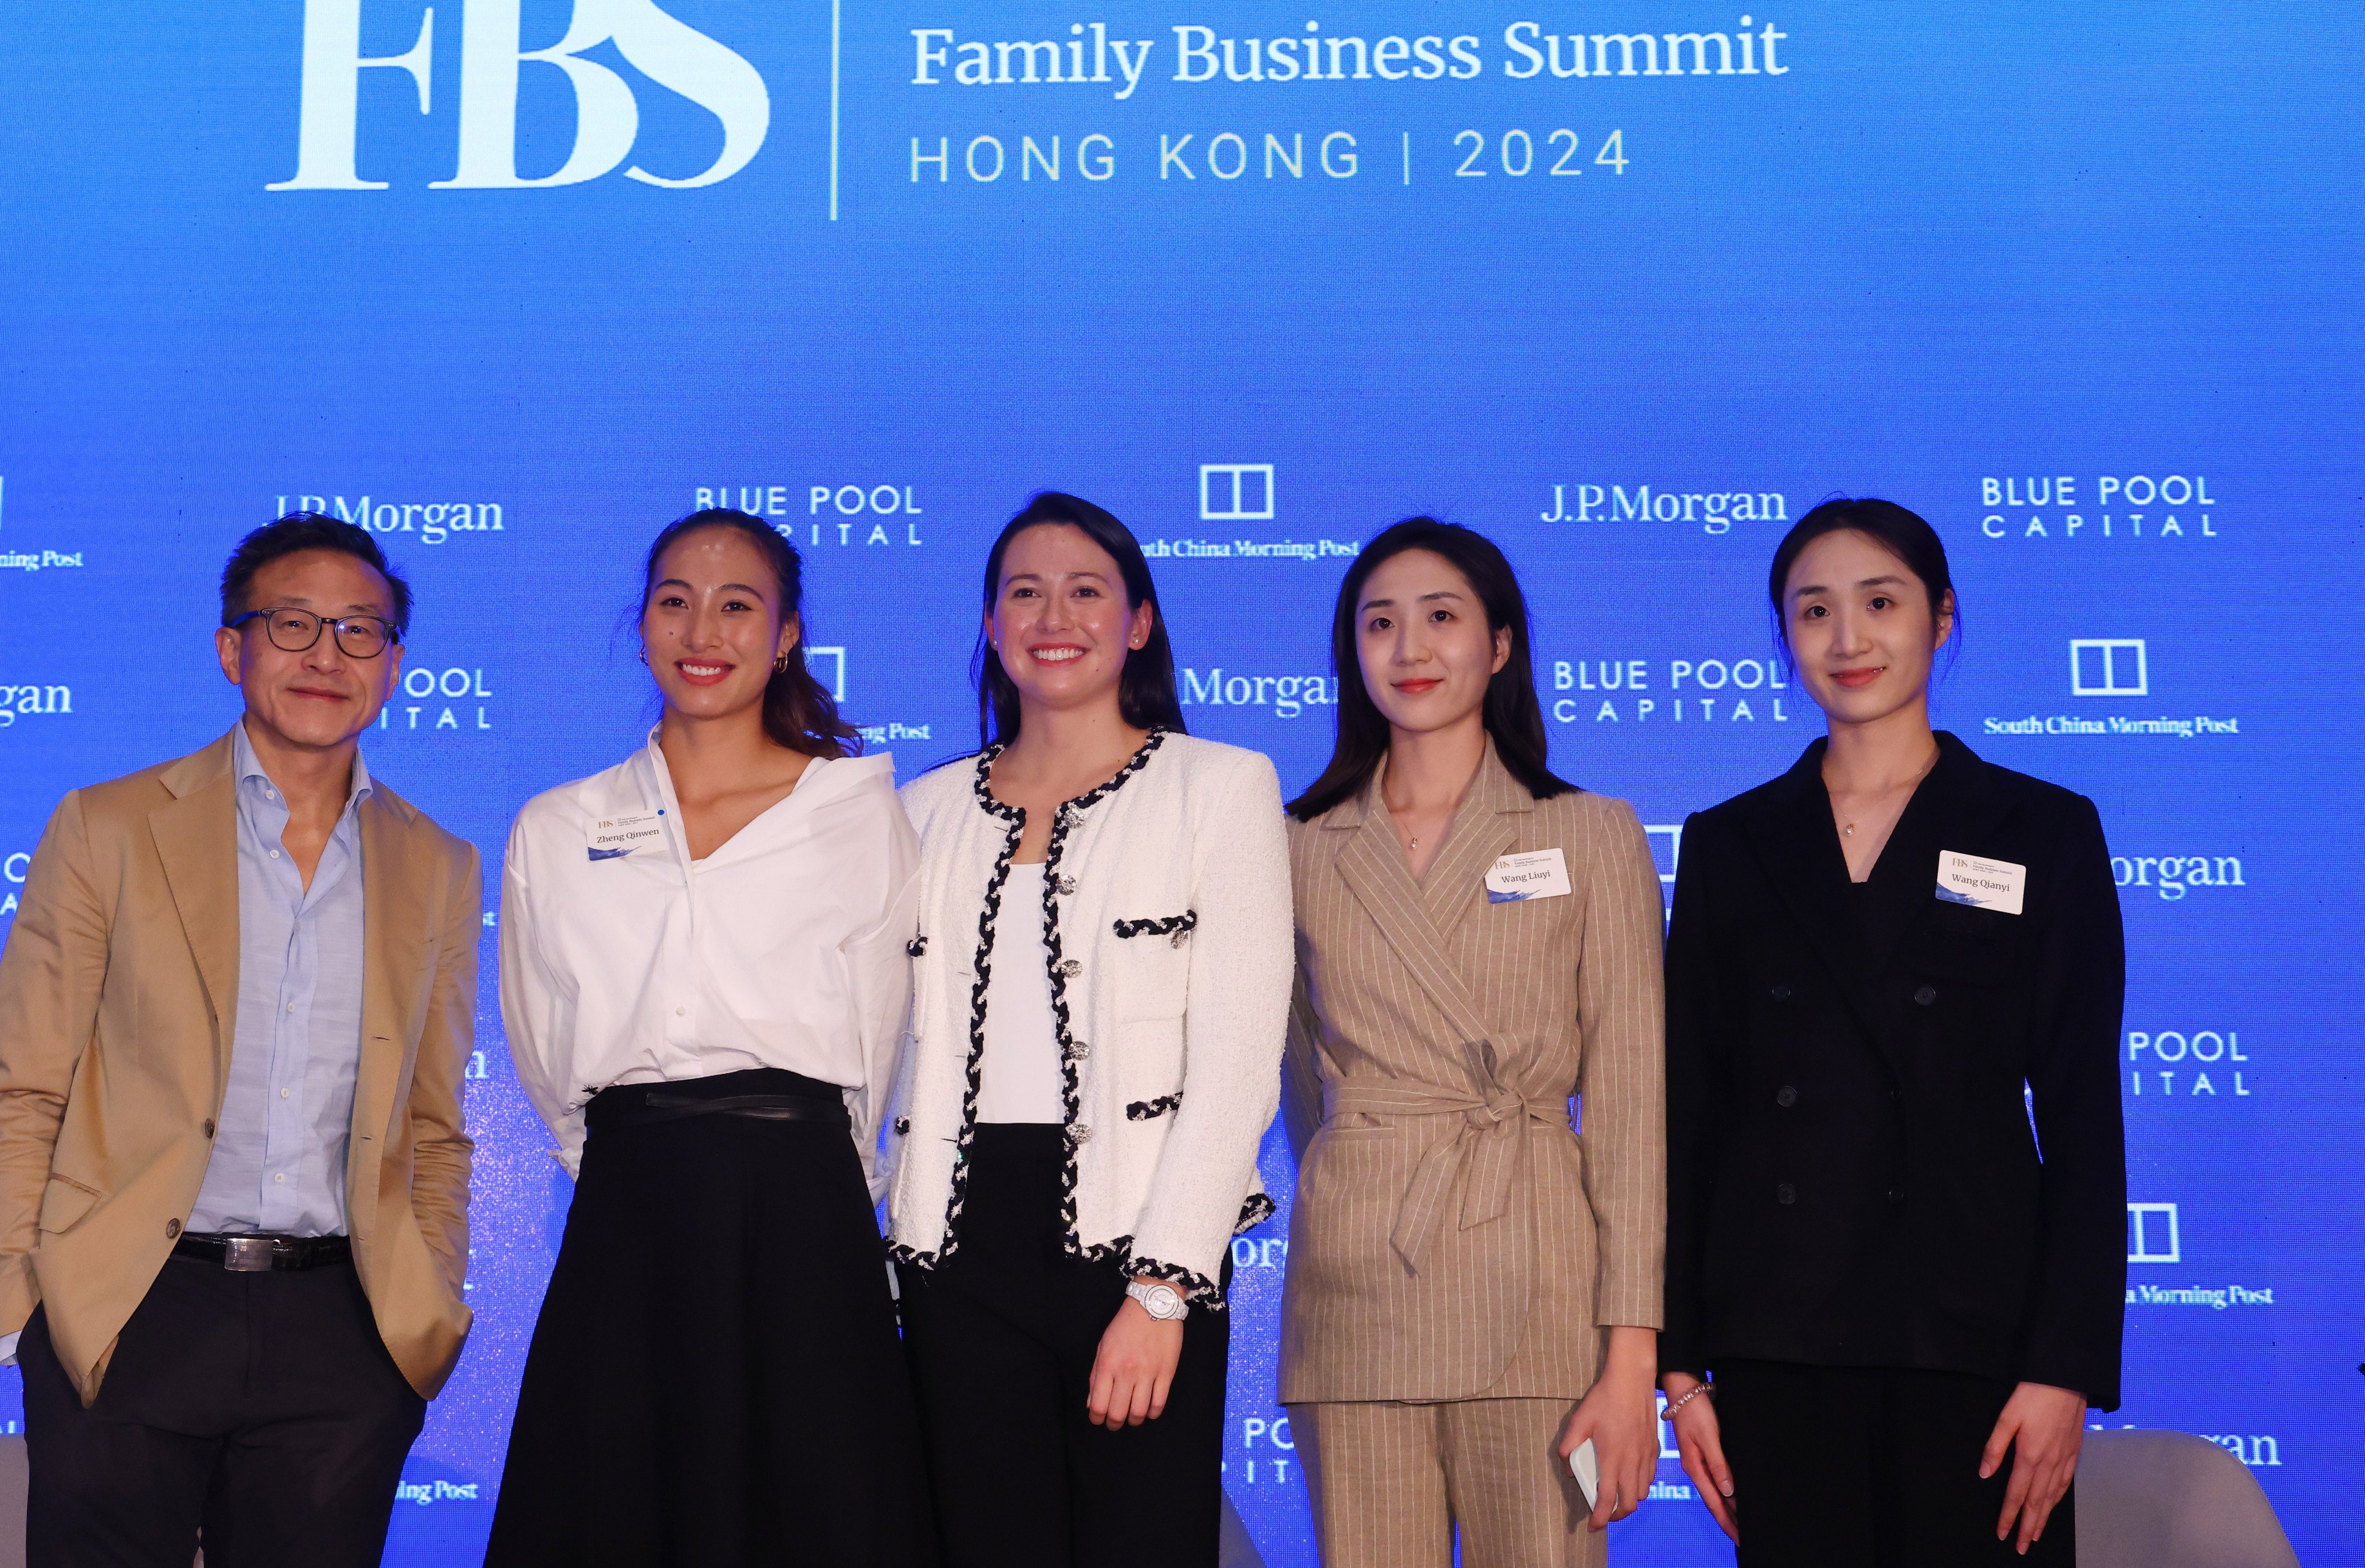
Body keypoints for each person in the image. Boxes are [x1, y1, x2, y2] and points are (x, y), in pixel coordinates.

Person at [0, 512, 480, 1568]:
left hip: (342, 1329)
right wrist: (30, 1301)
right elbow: (23, 1088)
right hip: (132, 1309)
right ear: (231, 649)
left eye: (358, 632)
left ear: (393, 668)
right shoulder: (108, 827)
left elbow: (433, 1123)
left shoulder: (438, 863)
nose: (324, 656)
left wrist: (423, 1314)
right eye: (292, 624)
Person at [1660, 498, 2126, 1564]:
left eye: (1880, 602)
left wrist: (2063, 1370)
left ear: (1943, 618)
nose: (1848, 638)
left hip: (1979, 1339)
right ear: (1784, 639)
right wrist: (1682, 1367)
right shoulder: (1733, 841)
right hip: (1780, 1336)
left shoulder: (2042, 827)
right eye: (1813, 611)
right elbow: (1692, 1110)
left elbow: (2084, 1120)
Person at [483, 509, 934, 1567]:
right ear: (640, 624)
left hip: (802, 1211)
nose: (704, 629)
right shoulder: (560, 824)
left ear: (784, 636)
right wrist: (635, 1157)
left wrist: (821, 1186)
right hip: (628, 1209)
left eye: (739, 605)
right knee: (614, 1509)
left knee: (812, 1510)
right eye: (676, 600)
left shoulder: (855, 813)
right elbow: (545, 1048)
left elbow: (887, 1034)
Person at [885, 492, 1292, 1567]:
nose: (1051, 616)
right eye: (1023, 592)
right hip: (954, 1253)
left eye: (1085, 591)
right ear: (988, 624)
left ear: (1140, 624)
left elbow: (1244, 1059)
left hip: (1136, 1239)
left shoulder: (1223, 787)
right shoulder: (919, 812)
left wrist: (1162, 1294)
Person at [1279, 518, 1667, 1566]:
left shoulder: (1592, 832)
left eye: (1442, 618)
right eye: (1380, 624)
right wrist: (1372, 1155)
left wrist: (1632, 1359)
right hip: (1356, 1285)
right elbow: (1301, 1085)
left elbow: (1632, 1115)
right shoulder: (1296, 847)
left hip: (1543, 1290)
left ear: (1500, 645)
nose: (1410, 649)